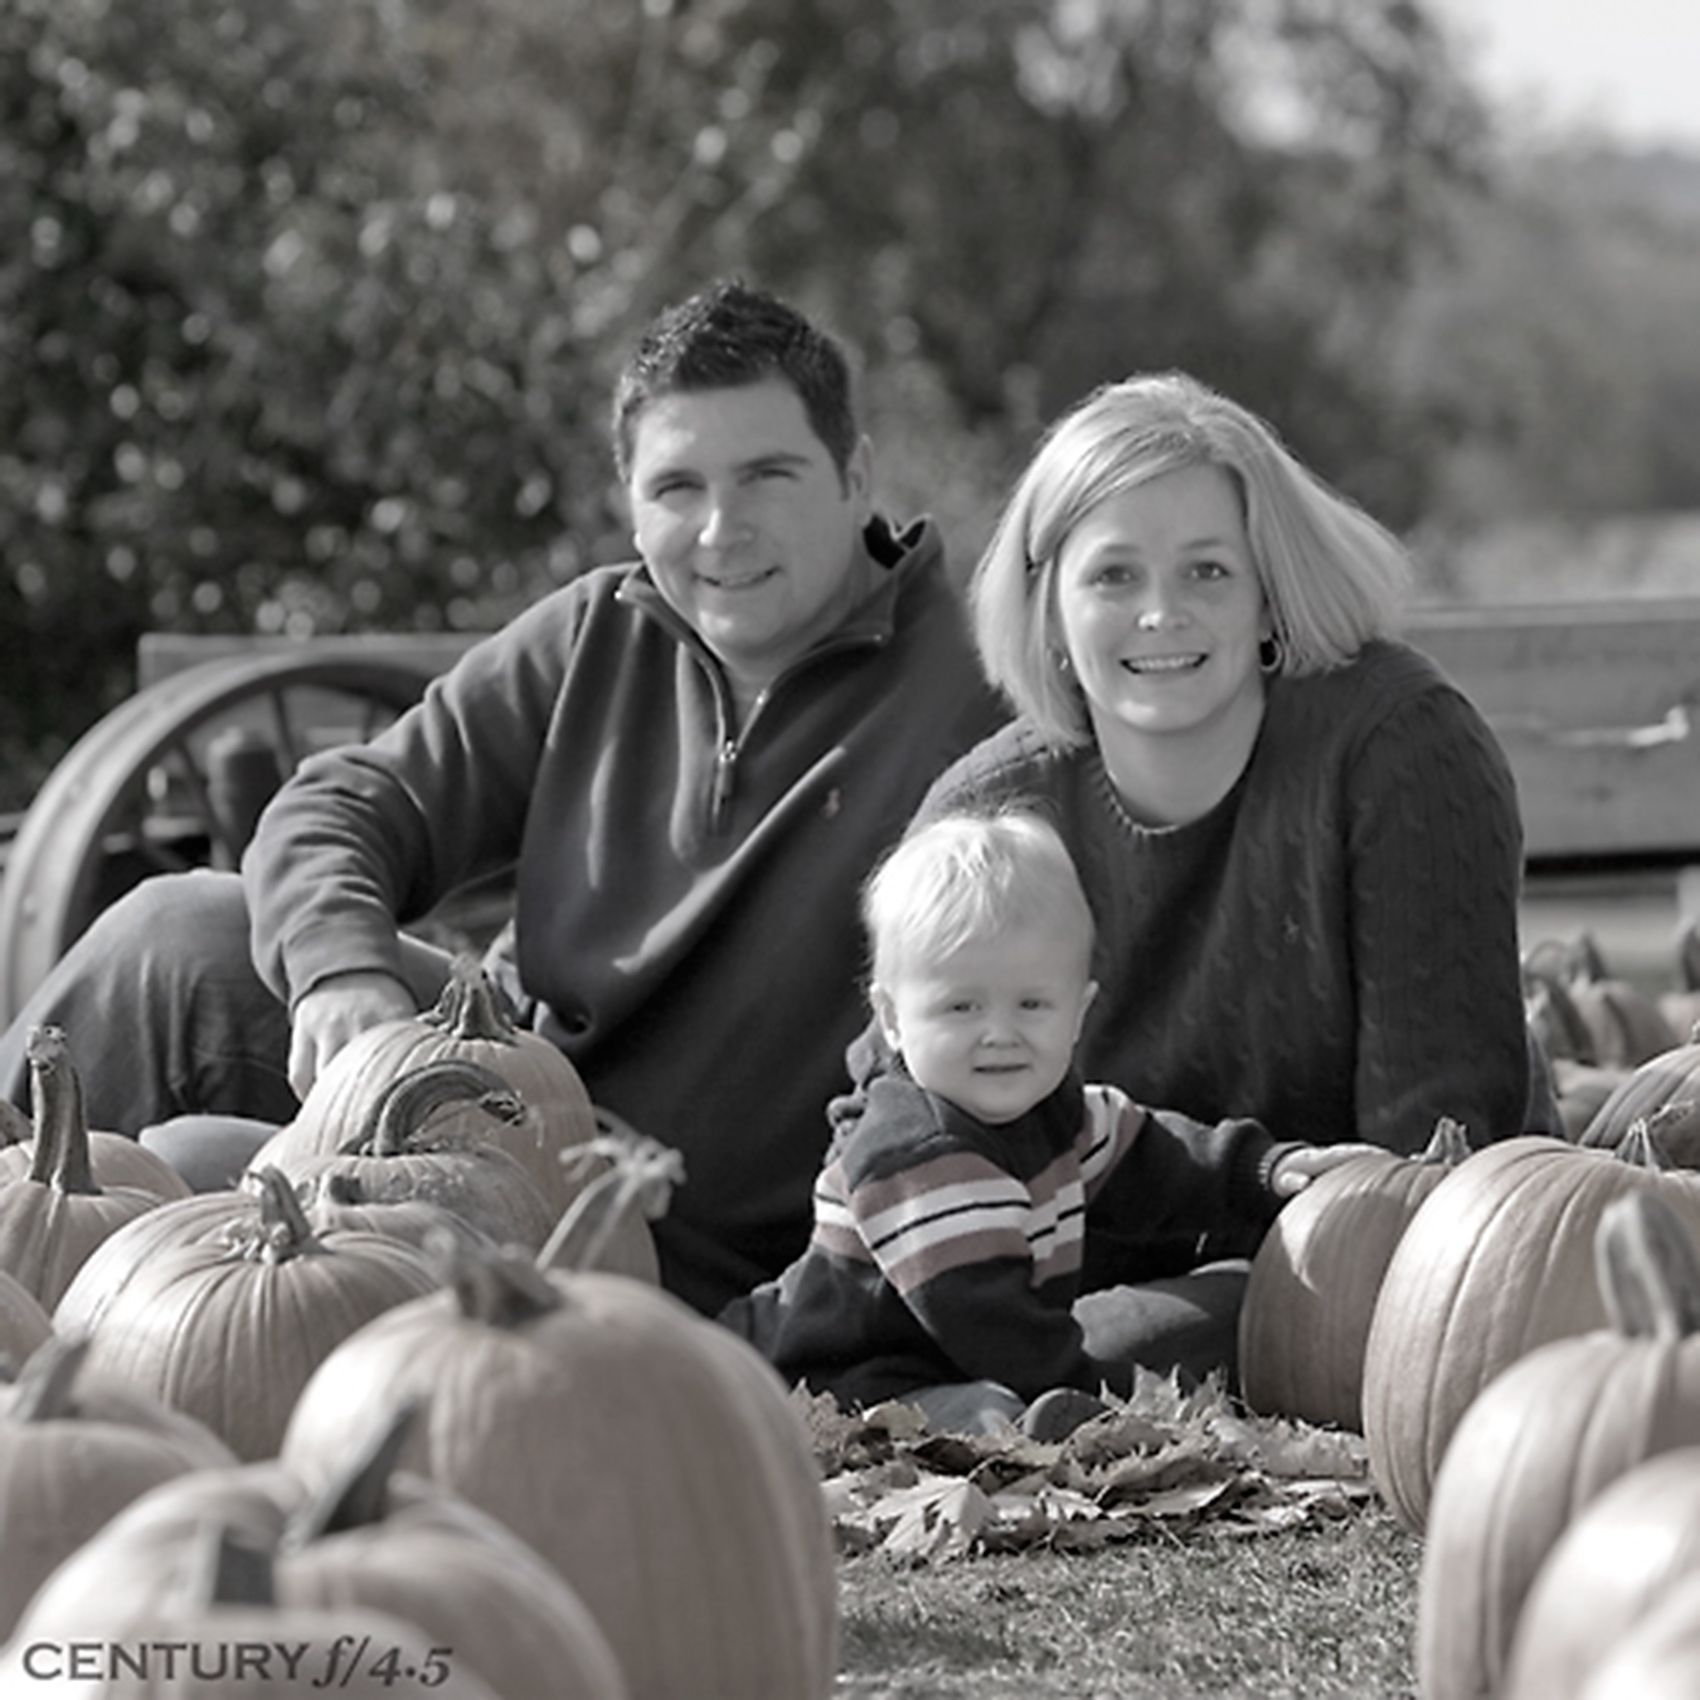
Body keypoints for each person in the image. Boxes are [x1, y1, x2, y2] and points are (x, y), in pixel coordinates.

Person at [0, 280, 1005, 1316]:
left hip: (651, 1229)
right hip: (488, 1095)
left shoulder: (974, 694)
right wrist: (339, 973)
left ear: (854, 476)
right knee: (177, 933)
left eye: (766, 476)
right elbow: (342, 802)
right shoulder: (600, 633)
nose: (718, 531)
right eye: (675, 489)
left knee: (186, 1162)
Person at [840, 369, 1547, 1291]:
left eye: (1207, 571)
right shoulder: (990, 814)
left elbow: (1436, 1157)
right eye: (1114, 574)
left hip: (1375, 1285)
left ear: (1268, 593)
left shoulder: (1395, 750)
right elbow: (891, 1117)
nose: (1161, 613)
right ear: (1051, 606)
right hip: (1056, 1322)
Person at [721, 808, 1381, 1437]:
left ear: (1078, 1012)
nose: (999, 1034)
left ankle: (1037, 1414)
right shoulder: (913, 1152)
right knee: (984, 1406)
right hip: (830, 1378)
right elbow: (996, 1327)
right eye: (961, 1007)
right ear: (892, 1019)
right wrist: (1111, 1399)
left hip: (965, 1358)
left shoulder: (1054, 1113)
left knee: (1232, 1297)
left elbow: (1161, 1158)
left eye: (1032, 1003)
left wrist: (1264, 1171)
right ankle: (1030, 1428)